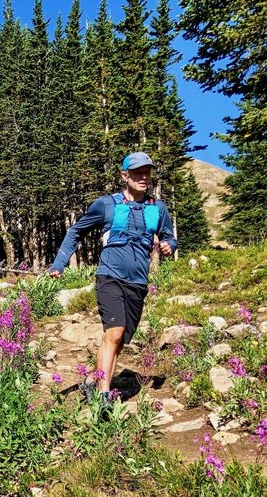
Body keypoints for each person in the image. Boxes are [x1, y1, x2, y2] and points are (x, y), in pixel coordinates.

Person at [48, 151, 177, 406]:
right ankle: (104, 394)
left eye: (147, 172)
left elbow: (169, 236)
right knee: (114, 333)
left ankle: (96, 383)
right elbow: (76, 231)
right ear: (124, 175)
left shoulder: (157, 208)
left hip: (138, 283)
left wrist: (168, 245)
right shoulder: (107, 205)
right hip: (109, 276)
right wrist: (59, 264)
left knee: (118, 342)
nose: (143, 176)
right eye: (138, 172)